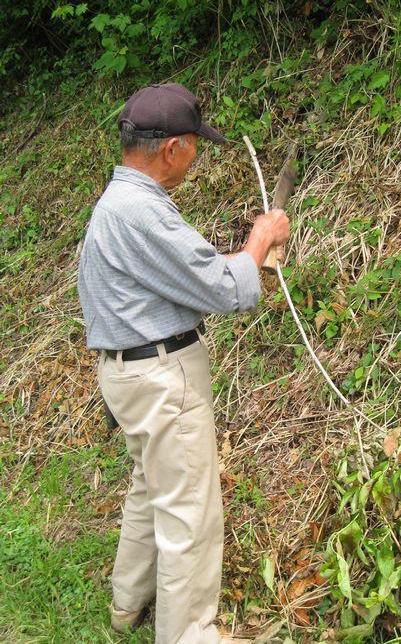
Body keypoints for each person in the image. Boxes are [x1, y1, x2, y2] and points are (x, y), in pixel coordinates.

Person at [77, 83, 290, 644]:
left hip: (129, 375)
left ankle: (128, 605)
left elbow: (176, 279)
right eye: (194, 145)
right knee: (188, 513)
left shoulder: (117, 206)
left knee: (150, 489)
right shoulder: (143, 213)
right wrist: (260, 239)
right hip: (162, 378)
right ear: (171, 148)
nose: (195, 157)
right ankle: (189, 634)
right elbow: (221, 290)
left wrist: (240, 258)